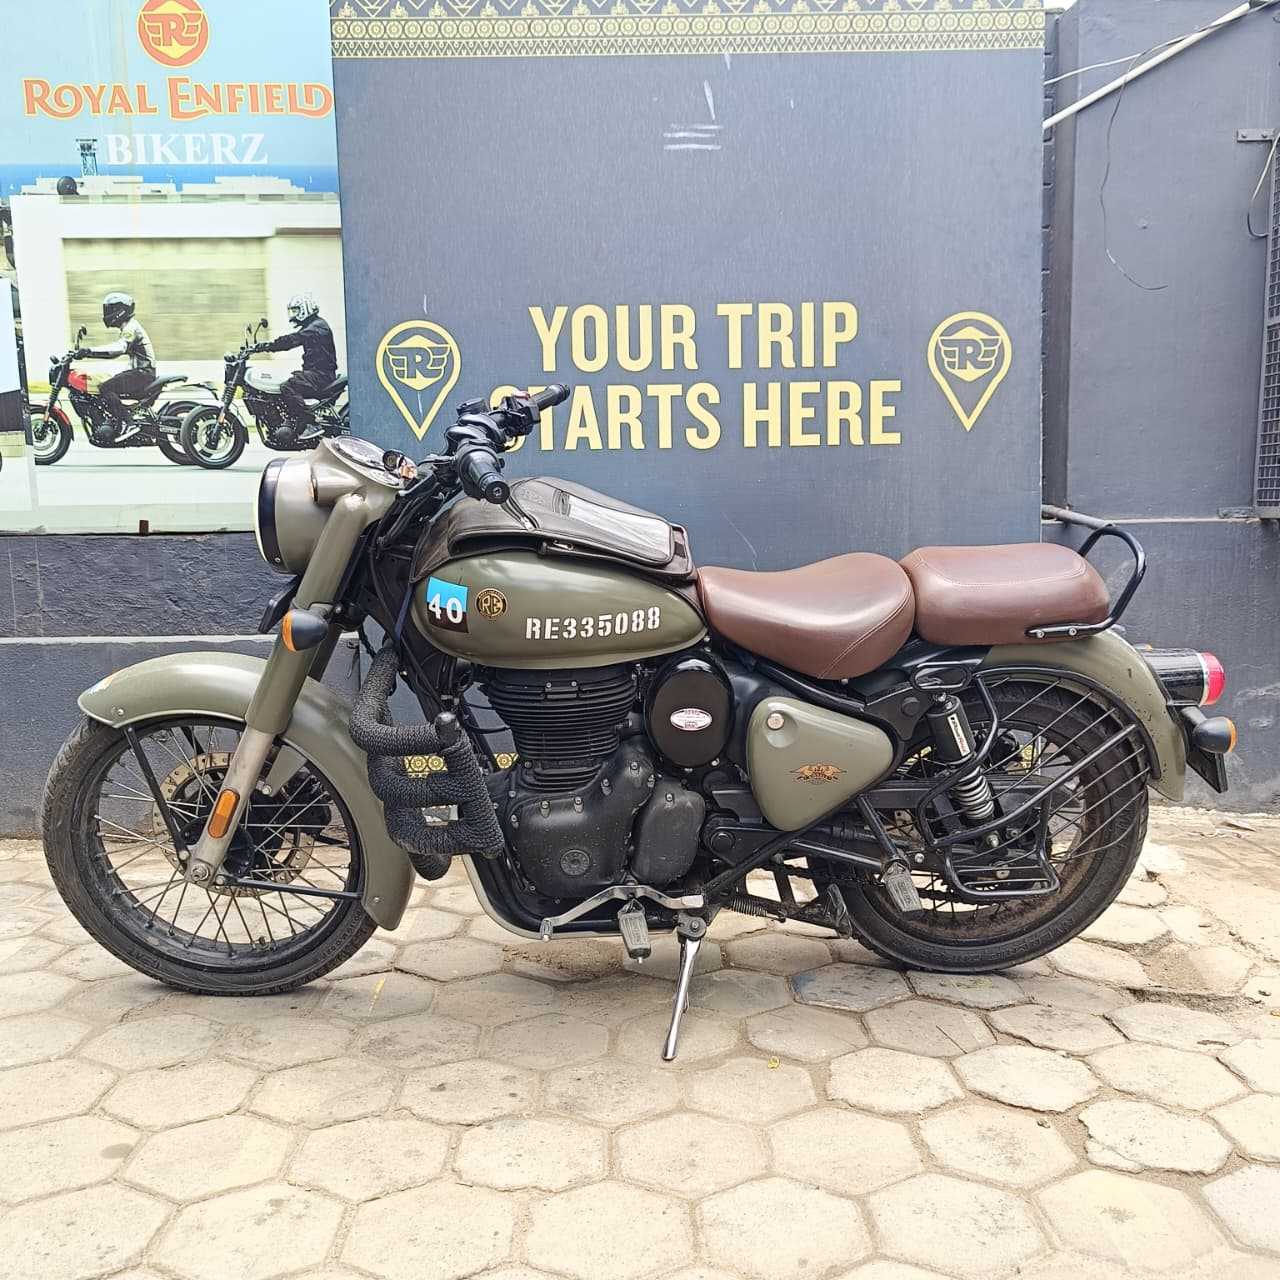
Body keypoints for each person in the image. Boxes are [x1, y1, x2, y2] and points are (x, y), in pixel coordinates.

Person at [78, 292, 156, 431]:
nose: (107, 313)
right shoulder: (129, 326)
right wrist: (87, 353)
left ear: (120, 311)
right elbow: (114, 353)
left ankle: (128, 423)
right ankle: (114, 421)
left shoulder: (131, 328)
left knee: (105, 388)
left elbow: (119, 348)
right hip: (139, 372)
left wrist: (88, 351)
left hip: (142, 373)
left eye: (110, 310)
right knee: (106, 382)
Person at [254, 293, 338, 421]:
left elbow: (292, 340)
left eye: (296, 310)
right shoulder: (313, 326)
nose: (293, 315)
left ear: (305, 308)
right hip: (316, 374)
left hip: (321, 376)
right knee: (288, 380)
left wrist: (266, 346)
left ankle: (308, 422)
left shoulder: (317, 327)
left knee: (288, 386)